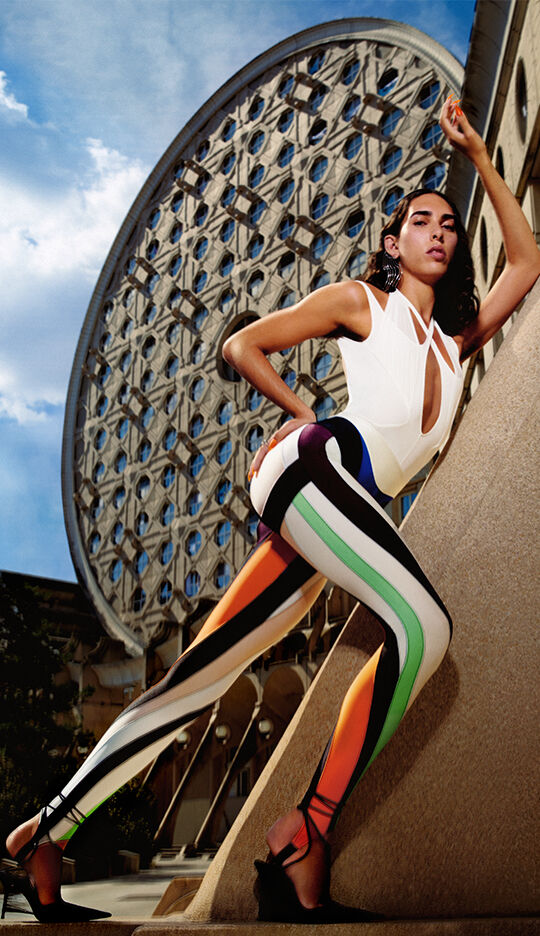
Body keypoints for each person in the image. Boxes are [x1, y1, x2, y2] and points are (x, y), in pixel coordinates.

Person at [3, 98, 539, 924]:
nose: (438, 230)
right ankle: (305, 832)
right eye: (417, 221)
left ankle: (47, 834)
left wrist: (475, 151)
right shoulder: (365, 302)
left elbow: (529, 260)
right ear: (392, 245)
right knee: (424, 626)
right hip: (317, 468)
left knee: (203, 674)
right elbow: (240, 344)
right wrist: (297, 415)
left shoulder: (454, 345)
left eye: (448, 223)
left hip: (343, 508)